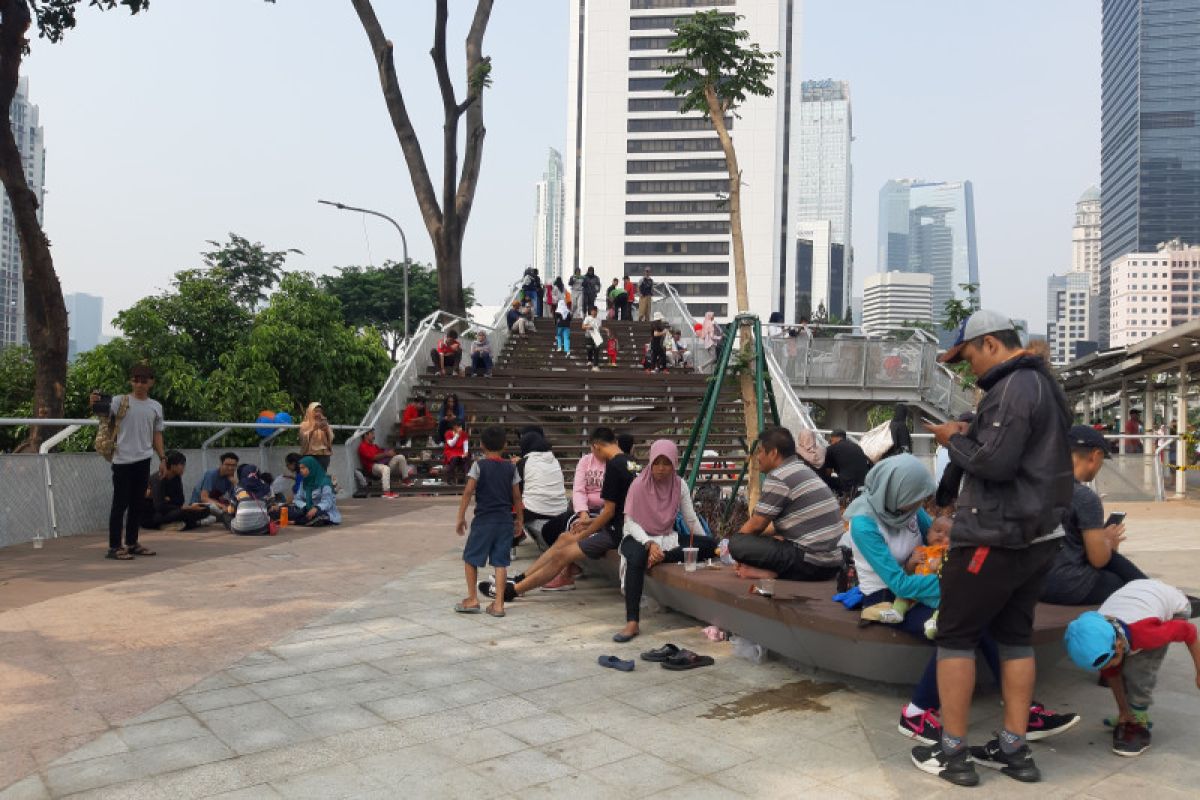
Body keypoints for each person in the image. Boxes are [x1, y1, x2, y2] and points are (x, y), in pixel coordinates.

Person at [914, 310, 1073, 787]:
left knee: (956, 637)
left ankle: (953, 752)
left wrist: (950, 440)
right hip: (1039, 536)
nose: (968, 371)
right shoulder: (1044, 385)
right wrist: (973, 433)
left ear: (989, 344)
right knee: (1016, 638)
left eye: (967, 359)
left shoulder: (1014, 387)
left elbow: (996, 464)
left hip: (995, 536)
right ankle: (1013, 749)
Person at [843, 456, 1078, 753]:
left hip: (925, 582)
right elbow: (897, 583)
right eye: (912, 500)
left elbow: (943, 538)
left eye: (920, 500)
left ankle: (1024, 712)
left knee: (980, 617)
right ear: (895, 492)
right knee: (962, 623)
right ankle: (916, 713)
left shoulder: (909, 512)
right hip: (890, 600)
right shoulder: (863, 523)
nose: (918, 507)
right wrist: (955, 585)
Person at [480, 427, 633, 602]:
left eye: (591, 449)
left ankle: (511, 591)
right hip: (618, 525)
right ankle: (520, 579)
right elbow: (617, 509)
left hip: (619, 531)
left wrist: (586, 530)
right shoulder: (631, 462)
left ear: (596, 446)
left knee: (563, 553)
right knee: (563, 538)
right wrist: (588, 521)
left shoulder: (613, 465)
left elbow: (609, 512)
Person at [1064, 579, 1198, 757]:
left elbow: (1189, 632)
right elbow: (1112, 673)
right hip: (1136, 596)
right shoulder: (1100, 637)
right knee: (1118, 668)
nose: (1105, 668)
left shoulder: (1146, 633)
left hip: (1175, 606)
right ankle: (1130, 714)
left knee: (1139, 668)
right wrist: (1123, 711)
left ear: (1118, 645)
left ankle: (1139, 715)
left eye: (1108, 661)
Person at [616, 439, 717, 643]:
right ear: (651, 462)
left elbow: (690, 519)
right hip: (636, 537)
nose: (661, 468)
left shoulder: (679, 485)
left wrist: (707, 543)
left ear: (674, 464)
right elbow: (631, 522)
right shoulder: (639, 484)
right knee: (637, 557)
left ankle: (662, 557)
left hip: (666, 537)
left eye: (667, 463)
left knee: (710, 545)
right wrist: (649, 543)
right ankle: (632, 620)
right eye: (657, 462)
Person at [1040, 425, 1147, 605]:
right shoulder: (1084, 497)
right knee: (1125, 584)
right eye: (1102, 461)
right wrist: (1108, 542)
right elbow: (1099, 560)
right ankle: (1156, 592)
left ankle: (1154, 588)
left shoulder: (1037, 486)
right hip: (1068, 586)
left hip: (1033, 583)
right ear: (1095, 456)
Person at [727, 426, 843, 582]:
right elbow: (780, 526)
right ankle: (769, 571)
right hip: (832, 564)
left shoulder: (779, 476)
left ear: (773, 453)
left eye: (760, 451)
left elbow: (756, 525)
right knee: (761, 541)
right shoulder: (802, 469)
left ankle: (771, 573)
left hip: (811, 563)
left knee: (737, 543)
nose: (757, 457)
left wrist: (740, 550)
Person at [90, 364, 167, 560]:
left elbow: (157, 434)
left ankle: (132, 543)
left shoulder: (155, 406)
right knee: (120, 503)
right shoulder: (120, 401)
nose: (139, 384)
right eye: (135, 380)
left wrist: (162, 458)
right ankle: (114, 547)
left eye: (144, 380)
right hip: (122, 459)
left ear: (151, 382)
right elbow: (103, 413)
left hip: (143, 459)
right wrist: (94, 403)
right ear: (130, 381)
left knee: (137, 503)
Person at [455, 426, 522, 617]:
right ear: (505, 445)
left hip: (484, 520)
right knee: (500, 562)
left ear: (482, 445)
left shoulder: (478, 466)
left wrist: (460, 516)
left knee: (470, 558)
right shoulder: (511, 467)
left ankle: (472, 599)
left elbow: (468, 491)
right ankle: (499, 604)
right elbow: (517, 497)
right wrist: (519, 520)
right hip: (504, 521)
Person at [516, 431, 568, 540]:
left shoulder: (524, 462)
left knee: (508, 504)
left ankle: (515, 540)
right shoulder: (554, 460)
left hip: (535, 511)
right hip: (561, 511)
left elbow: (517, 491)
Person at [142, 450, 207, 531]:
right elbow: (159, 506)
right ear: (172, 466)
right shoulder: (158, 478)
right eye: (182, 464)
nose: (184, 467)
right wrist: (184, 508)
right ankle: (188, 523)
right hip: (151, 516)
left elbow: (180, 500)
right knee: (183, 513)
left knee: (205, 510)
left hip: (168, 511)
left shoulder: (176, 478)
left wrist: (168, 499)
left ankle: (176, 524)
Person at [357, 429, 412, 498]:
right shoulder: (362, 446)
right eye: (372, 434)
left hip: (382, 465)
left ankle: (405, 479)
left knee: (400, 457)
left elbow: (382, 455)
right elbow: (373, 458)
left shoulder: (374, 446)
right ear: (365, 435)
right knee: (385, 468)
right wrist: (386, 454)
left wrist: (391, 454)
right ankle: (386, 492)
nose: (374, 436)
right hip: (372, 468)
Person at [290, 456, 341, 526]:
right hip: (307, 509)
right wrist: (305, 506)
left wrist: (316, 508)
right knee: (287, 510)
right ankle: (303, 520)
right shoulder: (304, 482)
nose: (301, 470)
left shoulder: (325, 482)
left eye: (303, 468)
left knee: (319, 515)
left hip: (323, 511)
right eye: (300, 468)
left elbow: (327, 502)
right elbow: (297, 499)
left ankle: (297, 521)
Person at [191, 451, 239, 525]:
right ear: (221, 464)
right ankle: (196, 522)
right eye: (227, 465)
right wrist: (223, 506)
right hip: (199, 505)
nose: (230, 468)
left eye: (233, 465)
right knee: (217, 508)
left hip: (215, 506)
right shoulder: (211, 474)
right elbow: (204, 498)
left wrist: (235, 483)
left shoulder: (230, 478)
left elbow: (234, 498)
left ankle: (204, 520)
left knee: (234, 508)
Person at [823, 429, 872, 501]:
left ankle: (833, 500)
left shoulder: (831, 449)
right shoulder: (857, 446)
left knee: (824, 479)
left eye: (831, 441)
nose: (830, 443)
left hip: (848, 485)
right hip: (864, 483)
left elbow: (828, 472)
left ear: (834, 438)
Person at [228, 464, 273, 536]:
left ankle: (241, 525)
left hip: (239, 530)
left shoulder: (237, 487)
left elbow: (231, 510)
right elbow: (270, 509)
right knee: (269, 518)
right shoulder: (266, 488)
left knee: (227, 516)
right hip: (261, 529)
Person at [299, 402, 334, 470]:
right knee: (311, 477)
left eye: (320, 411)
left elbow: (331, 438)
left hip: (323, 455)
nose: (318, 413)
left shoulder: (324, 423)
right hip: (310, 456)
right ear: (310, 411)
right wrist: (313, 429)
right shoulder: (305, 424)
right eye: (316, 411)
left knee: (321, 477)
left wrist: (326, 430)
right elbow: (303, 439)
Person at [444, 420, 470, 485]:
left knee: (466, 457)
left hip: (460, 451)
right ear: (454, 427)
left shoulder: (464, 434)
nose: (460, 428)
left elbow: (465, 444)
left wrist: (466, 452)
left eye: (460, 426)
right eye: (458, 426)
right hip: (450, 451)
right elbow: (451, 444)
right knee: (454, 458)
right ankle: (450, 478)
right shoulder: (448, 433)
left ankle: (467, 477)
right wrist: (457, 435)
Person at [583, 306, 603, 371]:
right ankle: (589, 360)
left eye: (595, 311)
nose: (594, 312)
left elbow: (599, 327)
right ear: (591, 312)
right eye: (593, 311)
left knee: (597, 350)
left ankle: (595, 365)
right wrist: (589, 327)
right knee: (589, 348)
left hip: (596, 336)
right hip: (589, 335)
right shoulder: (587, 318)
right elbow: (583, 326)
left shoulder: (599, 319)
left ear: (597, 312)